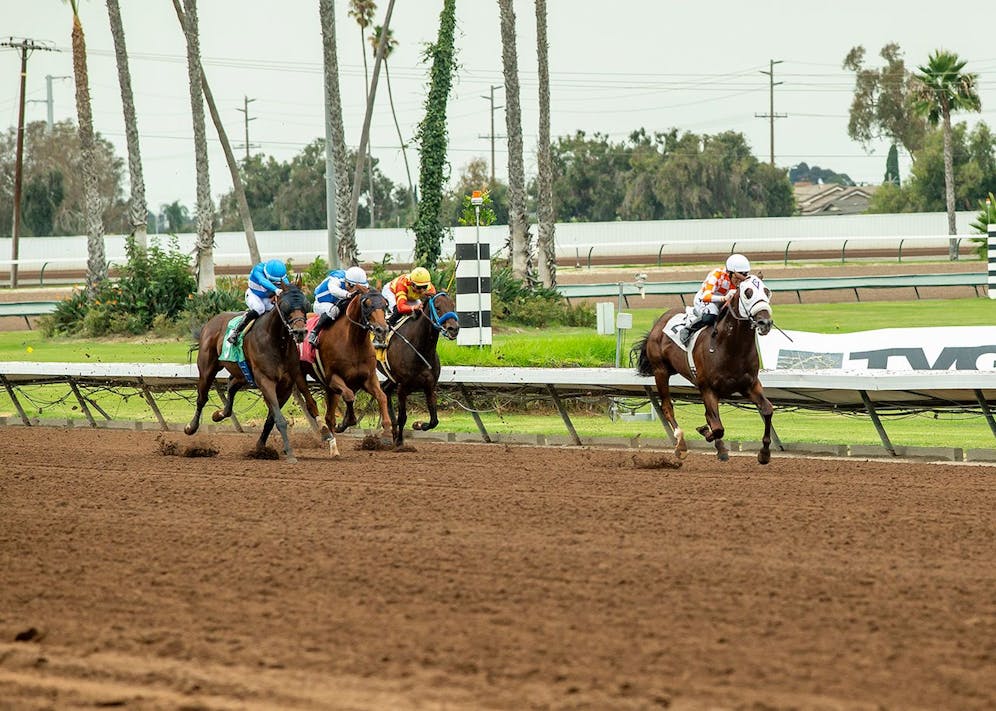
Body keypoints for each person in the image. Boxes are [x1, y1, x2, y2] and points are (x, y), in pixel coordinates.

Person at [678, 253, 751, 345]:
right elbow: (706, 296)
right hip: (706, 300)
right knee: (711, 316)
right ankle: (688, 329)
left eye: (744, 275)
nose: (740, 280)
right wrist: (724, 298)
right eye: (737, 276)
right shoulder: (716, 274)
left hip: (724, 302)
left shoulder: (745, 280)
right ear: (729, 273)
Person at [227, 259, 290, 345]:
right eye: (272, 280)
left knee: (276, 310)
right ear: (266, 273)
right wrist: (276, 289)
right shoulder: (258, 269)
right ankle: (236, 331)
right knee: (259, 308)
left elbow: (287, 286)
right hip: (254, 295)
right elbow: (262, 281)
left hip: (267, 297)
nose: (275, 282)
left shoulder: (281, 275)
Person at [307, 265, 368, 347]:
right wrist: (348, 295)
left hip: (338, 302)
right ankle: (314, 333)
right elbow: (334, 290)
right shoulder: (336, 279)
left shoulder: (354, 280)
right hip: (322, 304)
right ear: (348, 284)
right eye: (357, 289)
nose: (358, 291)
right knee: (334, 311)